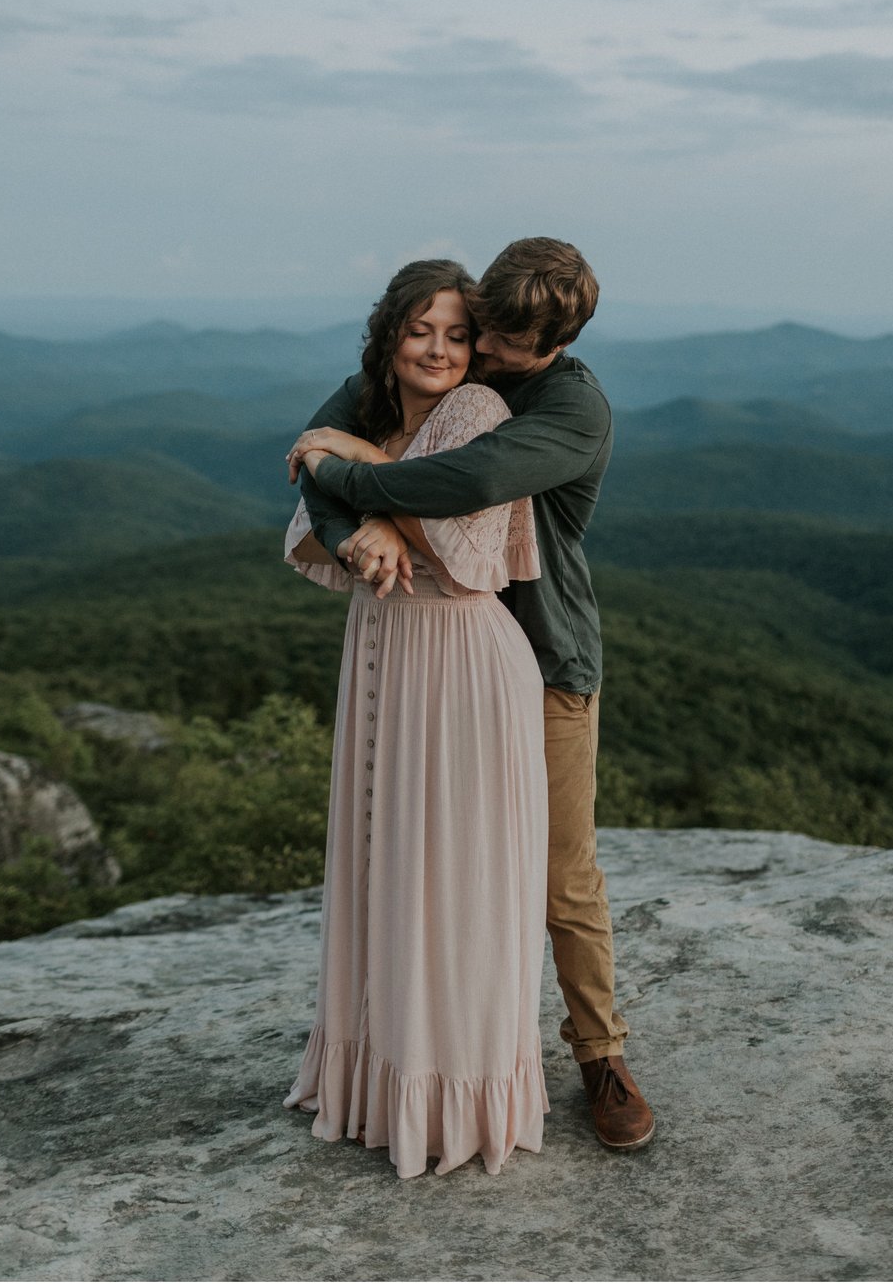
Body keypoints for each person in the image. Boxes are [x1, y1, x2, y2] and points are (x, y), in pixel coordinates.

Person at [288, 237, 655, 1151]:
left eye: (498, 341)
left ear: (554, 343)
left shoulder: (569, 406)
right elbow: (312, 450)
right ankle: (398, 1044)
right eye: (471, 327)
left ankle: (599, 1056)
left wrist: (348, 476)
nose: (476, 349)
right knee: (407, 851)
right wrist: (348, 522)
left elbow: (470, 480)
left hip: (539, 654)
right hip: (416, 656)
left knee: (556, 873)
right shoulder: (437, 349)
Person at [283, 259, 550, 1180]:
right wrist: (365, 504)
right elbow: (303, 534)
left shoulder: (477, 413)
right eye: (418, 329)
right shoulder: (371, 416)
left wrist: (355, 474)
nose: (438, 349)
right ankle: (373, 1081)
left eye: (456, 333)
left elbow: (468, 546)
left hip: (461, 661)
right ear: (389, 335)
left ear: (478, 347)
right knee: (380, 866)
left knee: (456, 879)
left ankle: (456, 1094)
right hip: (383, 652)